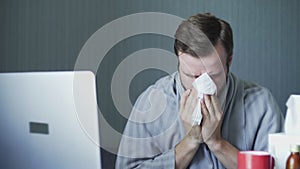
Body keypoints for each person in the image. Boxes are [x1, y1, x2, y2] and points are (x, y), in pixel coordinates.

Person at [115, 13, 284, 169]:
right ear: (178, 61)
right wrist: (190, 141)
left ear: (229, 60)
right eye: (191, 75)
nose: (201, 85)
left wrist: (217, 142)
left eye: (212, 75)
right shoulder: (151, 102)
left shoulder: (261, 104)